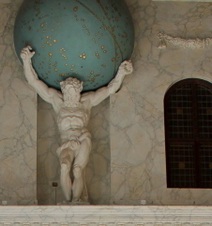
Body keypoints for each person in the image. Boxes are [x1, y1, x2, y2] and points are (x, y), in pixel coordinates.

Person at [20, 45, 133, 203]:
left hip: (82, 138)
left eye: (74, 89)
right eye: (67, 89)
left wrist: (121, 72)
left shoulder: (86, 102)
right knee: (64, 167)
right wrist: (26, 60)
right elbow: (34, 82)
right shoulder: (57, 101)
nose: (70, 92)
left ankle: (76, 201)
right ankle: (68, 204)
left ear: (79, 89)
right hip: (66, 141)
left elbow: (109, 90)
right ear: (63, 90)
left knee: (78, 170)